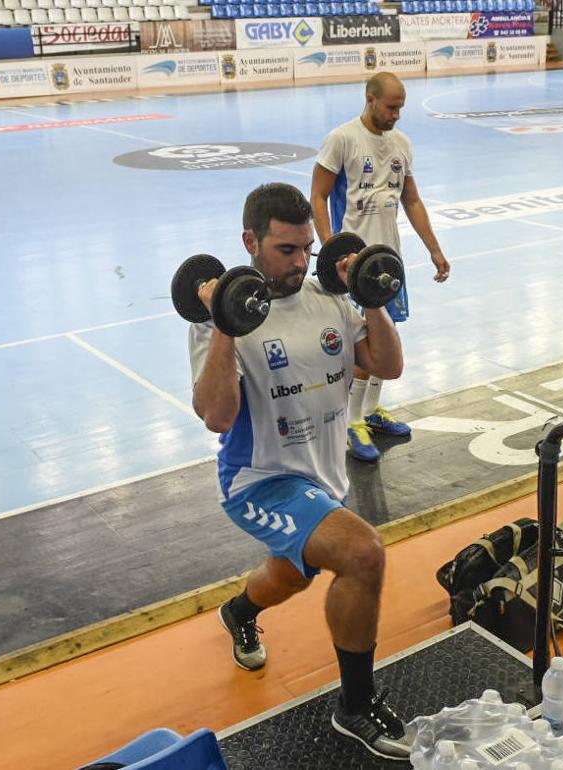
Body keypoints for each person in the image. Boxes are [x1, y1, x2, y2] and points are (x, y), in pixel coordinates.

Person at [191, 183, 413, 759]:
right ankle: (356, 707)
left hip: (323, 478)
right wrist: (223, 324)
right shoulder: (220, 322)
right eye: (286, 249)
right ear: (251, 242)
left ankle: (240, 611)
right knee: (361, 553)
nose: (300, 262)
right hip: (259, 480)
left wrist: (368, 292)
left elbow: (388, 364)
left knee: (293, 574)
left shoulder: (330, 302)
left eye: (306, 249)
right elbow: (217, 417)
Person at [311, 71, 450, 463]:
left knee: (385, 342)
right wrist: (331, 251)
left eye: (401, 106)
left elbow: (413, 201)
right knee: (361, 348)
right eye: (391, 106)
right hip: (351, 266)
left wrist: (434, 250)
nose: (397, 114)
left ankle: (370, 413)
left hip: (388, 262)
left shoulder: (402, 144)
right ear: (370, 99)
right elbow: (318, 197)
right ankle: (352, 422)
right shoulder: (341, 140)